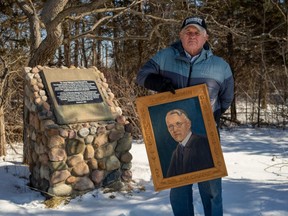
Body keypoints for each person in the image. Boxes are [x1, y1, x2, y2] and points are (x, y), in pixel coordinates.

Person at [136, 16, 234, 216]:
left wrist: (211, 117)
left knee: (212, 190)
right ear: (181, 36)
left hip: (208, 138)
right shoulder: (165, 56)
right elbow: (142, 75)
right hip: (177, 139)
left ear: (205, 37)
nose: (192, 36)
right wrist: (159, 83)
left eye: (197, 32)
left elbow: (227, 98)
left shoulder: (220, 66)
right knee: (178, 189)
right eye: (188, 32)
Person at [165, 109, 214, 177]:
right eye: (170, 126)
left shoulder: (203, 144)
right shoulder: (176, 153)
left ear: (188, 124)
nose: (175, 130)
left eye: (178, 124)